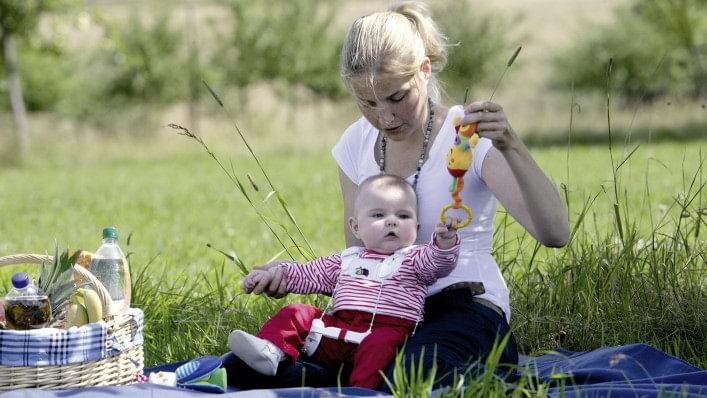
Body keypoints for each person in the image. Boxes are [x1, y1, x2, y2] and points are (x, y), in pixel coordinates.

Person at [229, 1, 569, 391]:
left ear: (424, 70)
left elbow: (554, 232)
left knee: (412, 377)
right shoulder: (356, 142)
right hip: (381, 313)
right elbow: (361, 258)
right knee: (243, 368)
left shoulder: (467, 135)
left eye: (396, 97)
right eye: (368, 103)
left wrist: (511, 144)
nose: (385, 118)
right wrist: (289, 276)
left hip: (463, 307)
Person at [228, 174, 462, 389]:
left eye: (403, 216)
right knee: (297, 312)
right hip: (337, 330)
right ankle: (270, 351)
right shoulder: (347, 260)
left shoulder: (414, 258)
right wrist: (274, 274)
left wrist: (444, 242)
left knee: (381, 343)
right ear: (356, 227)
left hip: (386, 331)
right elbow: (308, 274)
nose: (392, 222)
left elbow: (438, 263)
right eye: (379, 215)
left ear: (416, 228)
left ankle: (359, 391)